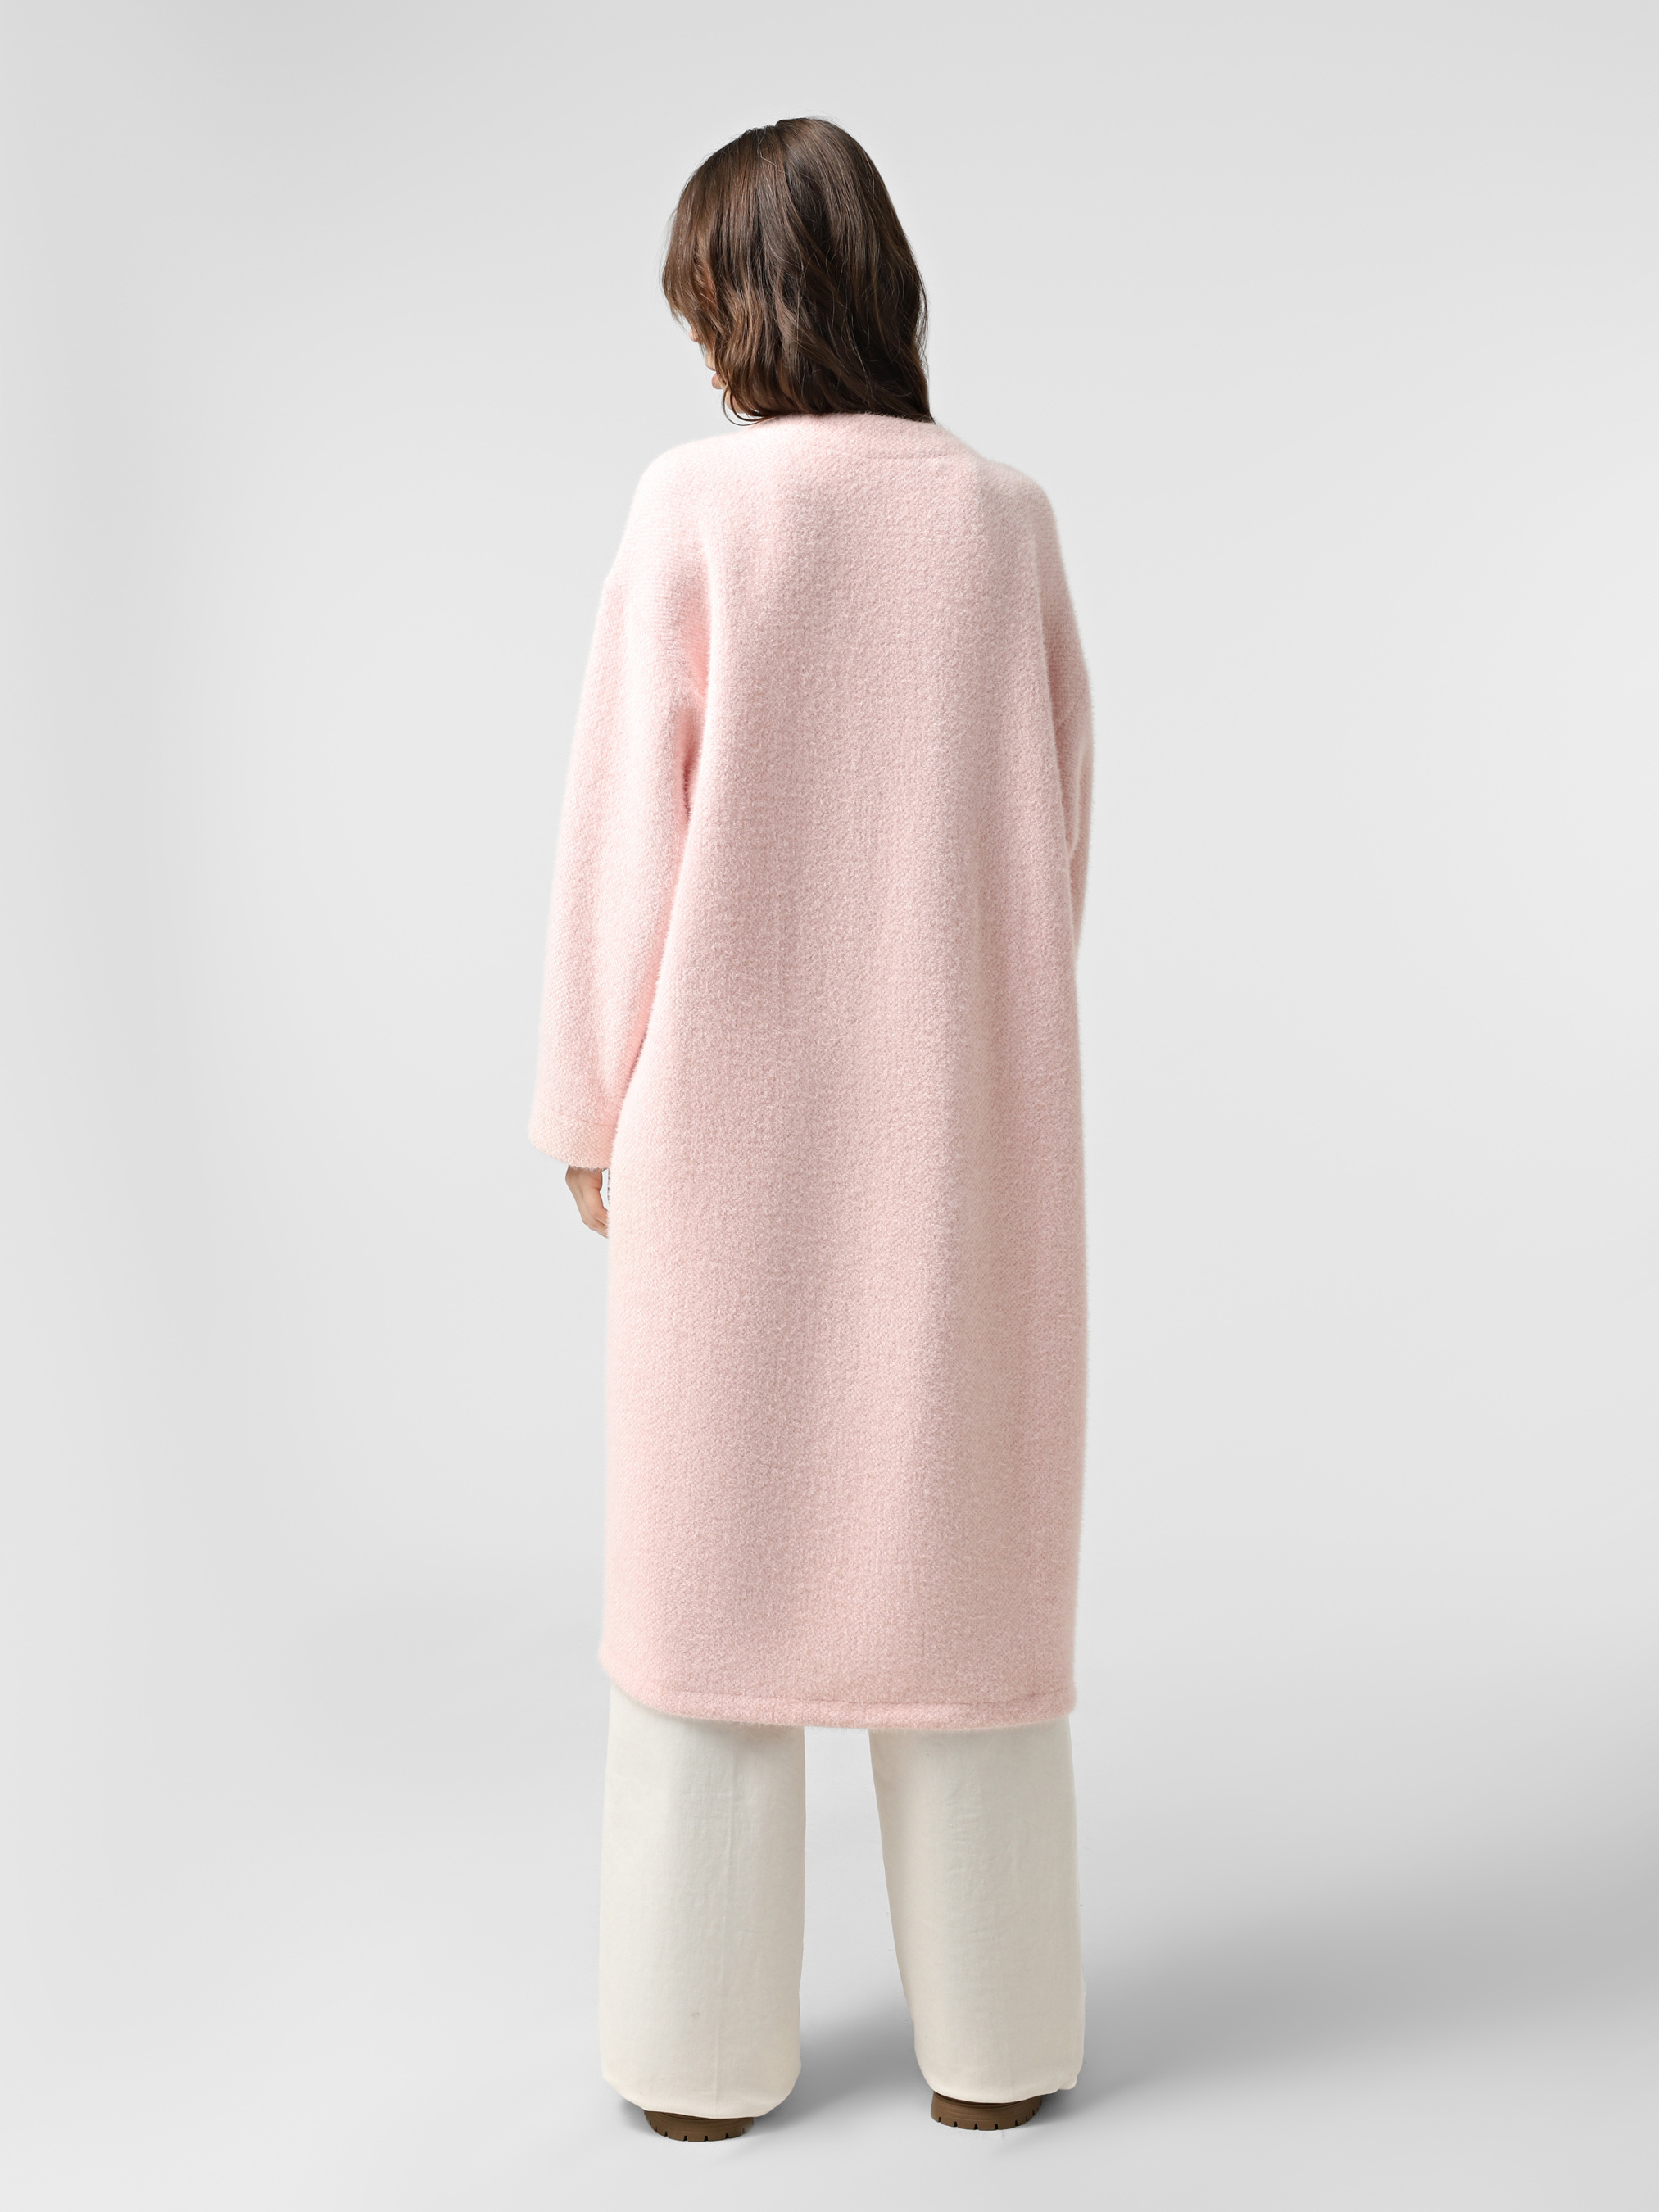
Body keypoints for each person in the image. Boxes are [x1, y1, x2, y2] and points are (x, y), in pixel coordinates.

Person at [529, 116, 1093, 2140]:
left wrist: (587, 1095)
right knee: (965, 1589)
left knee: (705, 1591)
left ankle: (694, 2063)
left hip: (728, 1134)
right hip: (966, 1137)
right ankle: (997, 2053)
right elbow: (1054, 833)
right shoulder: (1003, 522)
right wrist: (982, 1029)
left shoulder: (694, 508)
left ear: (739, 304)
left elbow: (623, 835)